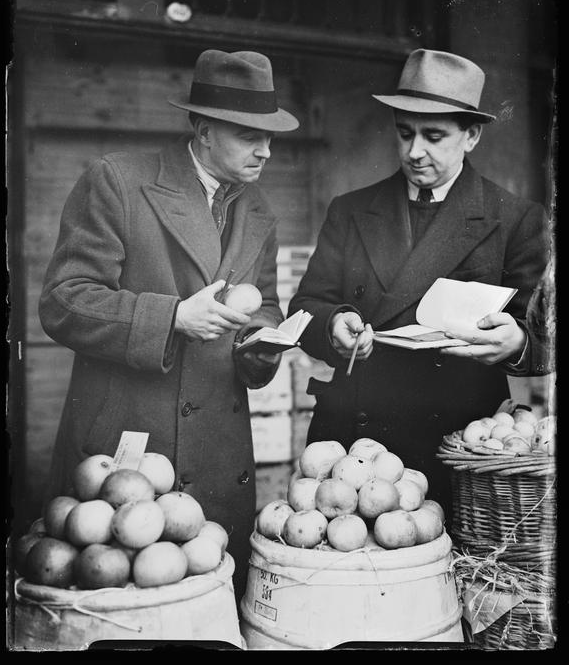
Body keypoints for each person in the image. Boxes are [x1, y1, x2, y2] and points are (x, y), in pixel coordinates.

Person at [38, 49, 299, 601]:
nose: (265, 150)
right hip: (130, 450)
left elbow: (267, 306)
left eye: (270, 136)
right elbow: (64, 301)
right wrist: (174, 317)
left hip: (218, 451)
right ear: (203, 129)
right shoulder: (118, 182)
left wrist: (260, 344)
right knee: (121, 605)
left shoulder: (258, 212)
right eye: (248, 133)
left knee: (208, 607)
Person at [288, 49, 549, 521]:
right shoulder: (350, 210)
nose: (414, 152)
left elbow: (544, 334)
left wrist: (517, 342)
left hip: (456, 446)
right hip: (355, 448)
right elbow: (306, 305)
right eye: (404, 133)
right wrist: (333, 325)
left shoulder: (515, 219)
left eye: (433, 136)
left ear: (471, 136)